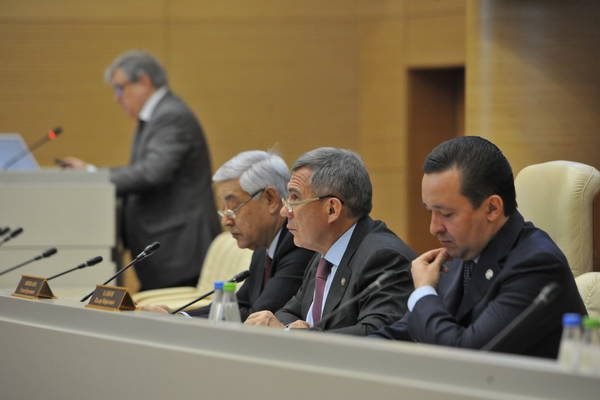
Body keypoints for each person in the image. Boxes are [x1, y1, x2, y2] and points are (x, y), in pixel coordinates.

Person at [371, 136, 586, 358]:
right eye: (429, 211)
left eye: (446, 214)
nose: (433, 228)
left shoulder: (537, 265)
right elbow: (404, 332)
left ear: (492, 208)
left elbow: (468, 357)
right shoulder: (462, 252)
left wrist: (423, 292)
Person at [62, 50, 220, 290]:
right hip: (167, 247)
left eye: (119, 88)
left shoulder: (171, 115)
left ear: (144, 82)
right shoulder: (157, 115)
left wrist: (92, 177)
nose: (116, 98)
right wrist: (91, 172)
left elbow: (152, 173)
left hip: (178, 249)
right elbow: (142, 170)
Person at [245, 147, 416, 335]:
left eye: (295, 198)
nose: (284, 211)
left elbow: (375, 334)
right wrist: (288, 328)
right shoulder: (324, 253)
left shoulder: (384, 258)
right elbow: (289, 312)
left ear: (332, 209)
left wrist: (298, 336)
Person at [139, 151, 315, 321]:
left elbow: (257, 315)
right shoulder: (265, 247)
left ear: (270, 199)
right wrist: (177, 316)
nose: (226, 221)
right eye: (223, 211)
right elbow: (240, 305)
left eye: (233, 208)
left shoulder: (298, 245)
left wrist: (180, 321)